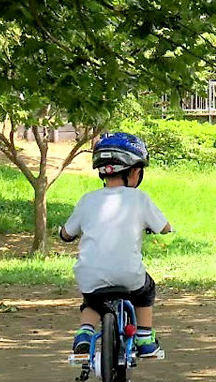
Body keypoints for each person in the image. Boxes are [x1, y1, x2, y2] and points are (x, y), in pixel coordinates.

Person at [60, 133, 172, 357]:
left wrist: (63, 234)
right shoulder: (140, 199)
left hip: (90, 275)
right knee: (146, 291)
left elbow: (67, 233)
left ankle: (84, 333)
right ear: (134, 172)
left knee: (92, 301)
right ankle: (144, 338)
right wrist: (163, 229)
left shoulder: (87, 200)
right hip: (128, 275)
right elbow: (164, 227)